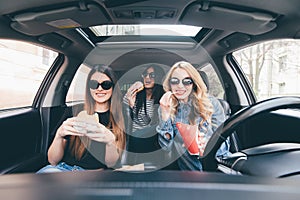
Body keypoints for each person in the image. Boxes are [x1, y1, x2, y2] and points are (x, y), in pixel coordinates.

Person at [37, 65, 125, 173]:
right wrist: (59, 135)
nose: (99, 89)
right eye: (94, 84)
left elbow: (111, 164)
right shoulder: (75, 111)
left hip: (93, 174)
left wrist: (110, 141)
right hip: (62, 169)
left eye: (106, 85)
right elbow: (53, 161)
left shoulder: (120, 117)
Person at [156, 61, 230, 171]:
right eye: (175, 81)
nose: (180, 86)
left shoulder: (211, 103)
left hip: (216, 167)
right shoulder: (166, 107)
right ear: (170, 84)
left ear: (194, 83)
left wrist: (208, 144)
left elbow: (223, 142)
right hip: (190, 171)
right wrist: (165, 116)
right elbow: (166, 148)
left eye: (187, 81)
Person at [123, 64, 165, 134]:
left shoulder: (161, 100)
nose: (147, 77)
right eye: (145, 74)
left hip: (149, 137)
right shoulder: (135, 95)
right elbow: (122, 112)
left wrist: (133, 107)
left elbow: (149, 124)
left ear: (158, 78)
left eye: (152, 75)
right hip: (133, 136)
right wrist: (132, 89)